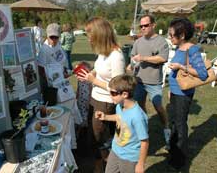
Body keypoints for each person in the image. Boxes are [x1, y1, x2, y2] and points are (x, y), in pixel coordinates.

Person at [77, 17, 125, 172]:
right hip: (95, 99)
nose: (88, 37)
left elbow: (118, 88)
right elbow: (98, 68)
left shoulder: (116, 56)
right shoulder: (104, 52)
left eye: (90, 34)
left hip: (105, 103)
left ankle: (107, 167)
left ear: (100, 33)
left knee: (99, 139)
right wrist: (89, 74)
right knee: (94, 136)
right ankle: (99, 166)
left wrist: (94, 81)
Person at [167, 18, 208, 169]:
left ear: (182, 35)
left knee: (180, 125)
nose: (170, 38)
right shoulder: (180, 48)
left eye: (172, 35)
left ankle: (179, 159)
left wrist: (181, 67)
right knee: (174, 124)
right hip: (176, 93)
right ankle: (173, 153)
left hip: (184, 95)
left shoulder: (192, 49)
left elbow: (202, 74)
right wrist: (171, 90)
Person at [129, 14, 171, 149]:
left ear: (153, 25)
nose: (143, 28)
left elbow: (162, 59)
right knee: (139, 107)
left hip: (154, 82)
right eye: (141, 26)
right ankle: (143, 129)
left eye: (146, 25)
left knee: (158, 107)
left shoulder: (161, 41)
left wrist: (144, 58)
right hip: (139, 81)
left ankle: (166, 129)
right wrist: (130, 65)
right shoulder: (137, 42)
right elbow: (133, 58)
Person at [95, 74, 148, 173]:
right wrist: (105, 117)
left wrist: (140, 164)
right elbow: (120, 118)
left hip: (130, 158)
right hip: (115, 151)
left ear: (125, 94)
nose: (110, 96)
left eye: (113, 93)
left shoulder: (138, 117)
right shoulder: (120, 106)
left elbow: (144, 142)